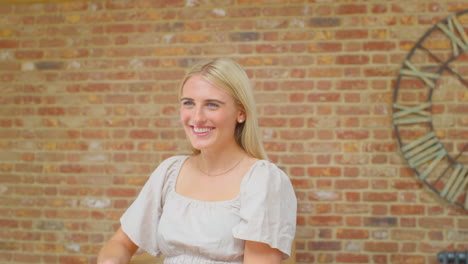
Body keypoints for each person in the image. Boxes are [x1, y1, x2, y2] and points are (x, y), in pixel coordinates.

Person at [97, 58, 297, 264]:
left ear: (241, 113)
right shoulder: (169, 171)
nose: (197, 117)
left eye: (212, 105)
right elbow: (119, 243)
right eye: (188, 103)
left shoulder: (263, 180)